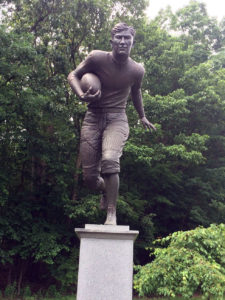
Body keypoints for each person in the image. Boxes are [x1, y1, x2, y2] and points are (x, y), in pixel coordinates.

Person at [68, 23, 156, 225]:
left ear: (133, 42)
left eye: (127, 38)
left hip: (117, 119)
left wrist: (142, 116)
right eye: (119, 38)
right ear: (112, 41)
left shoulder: (136, 70)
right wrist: (81, 95)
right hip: (93, 117)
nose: (123, 41)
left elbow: (136, 92)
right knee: (89, 179)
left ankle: (111, 213)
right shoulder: (96, 58)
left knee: (110, 160)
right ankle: (106, 192)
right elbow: (73, 75)